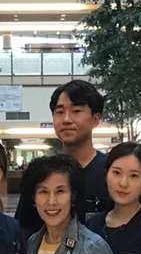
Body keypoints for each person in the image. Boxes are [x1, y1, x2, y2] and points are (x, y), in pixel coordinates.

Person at [15, 79, 112, 234]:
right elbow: (24, 229)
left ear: (95, 119)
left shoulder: (112, 172)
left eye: (76, 111)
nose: (66, 120)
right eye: (59, 112)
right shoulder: (41, 173)